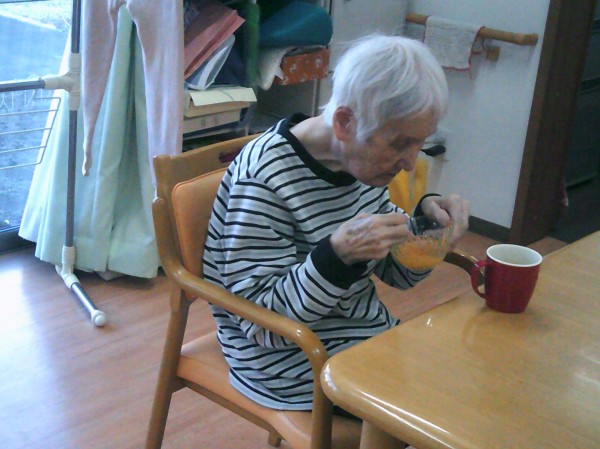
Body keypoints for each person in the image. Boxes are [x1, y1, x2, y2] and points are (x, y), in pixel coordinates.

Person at [203, 34, 470, 413]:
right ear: (345, 121)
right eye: (399, 144)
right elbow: (260, 325)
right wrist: (334, 258)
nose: (411, 163)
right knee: (437, 413)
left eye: (419, 143)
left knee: (465, 381)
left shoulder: (360, 164)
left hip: (361, 337)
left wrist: (429, 230)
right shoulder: (265, 176)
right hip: (285, 364)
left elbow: (397, 275)